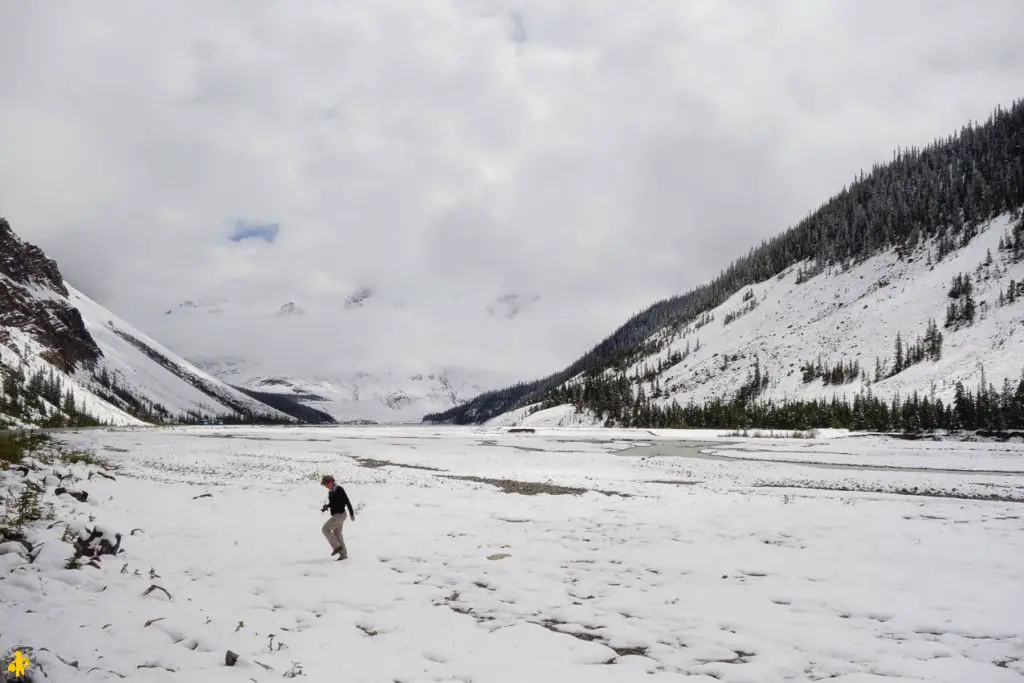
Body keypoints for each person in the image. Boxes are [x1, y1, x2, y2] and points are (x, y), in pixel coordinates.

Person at [320, 475, 355, 560]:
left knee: (325, 529)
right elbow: (333, 503)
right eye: (325, 485)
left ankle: (336, 547)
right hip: (337, 515)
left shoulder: (339, 489)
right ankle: (343, 555)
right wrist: (327, 506)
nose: (326, 487)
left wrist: (351, 513)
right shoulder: (331, 492)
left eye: (326, 485)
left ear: (331, 482)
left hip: (340, 515)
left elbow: (347, 501)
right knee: (337, 534)